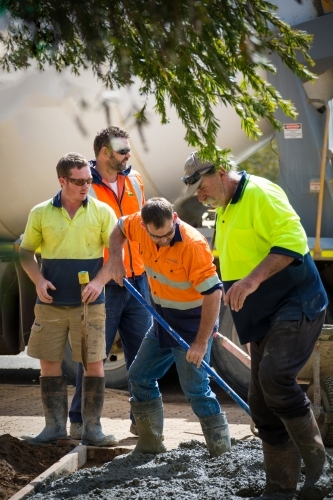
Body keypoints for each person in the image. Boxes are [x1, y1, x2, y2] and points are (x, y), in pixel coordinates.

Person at [181, 151, 330, 499]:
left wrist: (250, 281)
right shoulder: (227, 207)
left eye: (202, 188)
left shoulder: (260, 192)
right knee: (261, 401)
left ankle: (320, 470)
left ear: (220, 172)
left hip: (296, 300)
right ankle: (280, 487)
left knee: (276, 376)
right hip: (264, 315)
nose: (200, 197)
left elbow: (293, 242)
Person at [101, 197, 231, 458]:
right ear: (146, 226)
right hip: (162, 319)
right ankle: (150, 445)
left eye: (167, 234)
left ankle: (221, 453)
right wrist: (117, 259)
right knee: (139, 376)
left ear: (174, 218)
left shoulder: (193, 245)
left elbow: (214, 294)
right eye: (155, 236)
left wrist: (201, 342)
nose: (162, 240)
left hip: (192, 323)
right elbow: (119, 227)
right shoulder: (139, 224)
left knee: (195, 390)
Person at [19, 152, 119, 447]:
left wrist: (100, 282)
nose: (85, 186)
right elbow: (25, 252)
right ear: (62, 180)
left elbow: (116, 255)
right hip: (50, 304)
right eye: (78, 181)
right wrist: (38, 280)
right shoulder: (40, 212)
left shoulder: (102, 212)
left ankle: (93, 430)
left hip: (90, 306)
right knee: (49, 363)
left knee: (93, 364)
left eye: (88, 180)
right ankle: (53, 429)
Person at [68, 126, 152, 440]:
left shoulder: (136, 181)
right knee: (93, 356)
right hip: (103, 284)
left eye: (129, 149)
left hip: (138, 282)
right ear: (104, 152)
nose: (129, 155)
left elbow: (142, 227)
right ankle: (81, 421)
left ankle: (141, 421)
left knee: (144, 356)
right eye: (122, 150)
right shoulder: (84, 186)